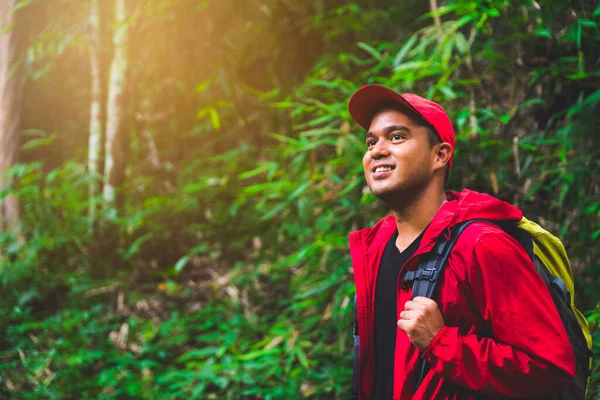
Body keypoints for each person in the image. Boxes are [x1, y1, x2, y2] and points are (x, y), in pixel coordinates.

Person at [347, 84, 575, 400]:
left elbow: (550, 366)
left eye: (397, 137)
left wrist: (441, 343)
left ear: (440, 155)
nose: (376, 150)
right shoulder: (376, 248)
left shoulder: (482, 244)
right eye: (371, 141)